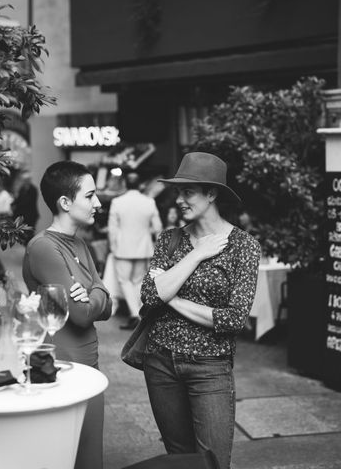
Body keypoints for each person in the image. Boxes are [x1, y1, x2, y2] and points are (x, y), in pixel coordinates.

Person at [140, 152, 261, 469]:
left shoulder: (243, 246)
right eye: (177, 192)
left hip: (210, 368)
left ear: (212, 193)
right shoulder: (170, 239)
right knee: (179, 460)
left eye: (187, 192)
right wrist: (195, 256)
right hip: (160, 362)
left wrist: (172, 296)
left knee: (213, 462)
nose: (179, 200)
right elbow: (149, 295)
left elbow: (233, 319)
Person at [22, 161, 112, 469]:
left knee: (90, 457)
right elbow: (81, 315)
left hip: (90, 364)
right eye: (90, 196)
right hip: (60, 367)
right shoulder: (44, 248)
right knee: (69, 459)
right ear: (65, 202)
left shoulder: (79, 242)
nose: (97, 203)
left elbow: (106, 303)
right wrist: (98, 294)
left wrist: (96, 296)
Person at [107, 171, 162, 330]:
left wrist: (113, 246)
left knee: (125, 281)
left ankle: (135, 314)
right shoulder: (149, 202)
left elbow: (112, 228)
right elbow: (157, 227)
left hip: (123, 248)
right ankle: (138, 314)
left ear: (125, 184)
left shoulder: (117, 202)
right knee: (138, 281)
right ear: (139, 185)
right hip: (144, 248)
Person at [11, 169, 39, 243]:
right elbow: (19, 199)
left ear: (29, 180)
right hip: (23, 215)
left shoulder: (33, 189)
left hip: (31, 215)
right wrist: (13, 203)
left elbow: (28, 202)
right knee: (23, 234)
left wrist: (17, 205)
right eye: (23, 180)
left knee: (29, 234)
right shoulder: (22, 189)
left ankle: (31, 247)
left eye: (26, 180)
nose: (24, 182)